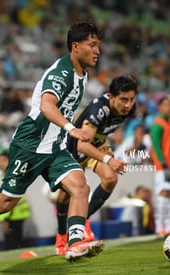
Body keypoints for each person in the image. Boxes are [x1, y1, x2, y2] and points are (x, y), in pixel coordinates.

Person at [0, 22, 103, 268]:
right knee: (5, 203)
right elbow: (46, 106)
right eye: (92, 45)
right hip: (30, 145)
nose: (98, 50)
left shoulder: (82, 73)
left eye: (98, 45)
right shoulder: (61, 73)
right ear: (75, 47)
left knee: (80, 187)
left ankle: (75, 243)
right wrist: (72, 129)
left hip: (54, 147)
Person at [54, 75, 137, 255]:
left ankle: (83, 221)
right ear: (112, 96)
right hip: (73, 145)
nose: (128, 105)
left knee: (110, 179)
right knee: (64, 196)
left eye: (131, 99)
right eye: (123, 99)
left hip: (97, 142)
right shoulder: (98, 110)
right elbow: (82, 144)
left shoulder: (129, 108)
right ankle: (61, 234)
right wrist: (109, 159)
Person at [150, 95, 170, 237]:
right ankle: (159, 227)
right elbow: (156, 146)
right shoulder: (157, 124)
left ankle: (168, 226)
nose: (169, 108)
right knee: (162, 195)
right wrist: (163, 163)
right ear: (160, 107)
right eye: (166, 105)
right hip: (164, 166)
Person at [0, 151, 31, 250]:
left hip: (12, 216)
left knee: (12, 245)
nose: (0, 163)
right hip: (19, 214)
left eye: (3, 161)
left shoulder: (9, 176)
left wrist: (4, 219)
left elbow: (8, 198)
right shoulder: (15, 174)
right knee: (18, 244)